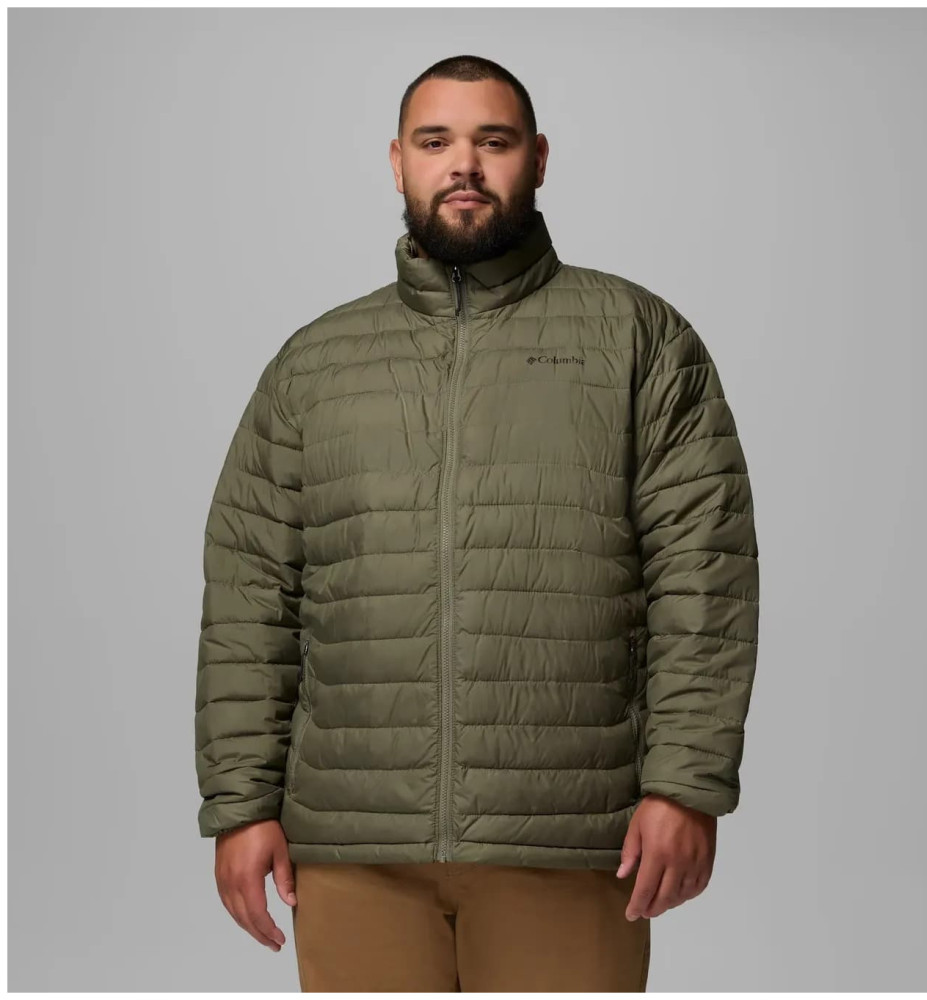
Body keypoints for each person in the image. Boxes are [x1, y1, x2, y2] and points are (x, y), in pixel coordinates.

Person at [194, 53, 760, 993]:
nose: (464, 164)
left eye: (492, 141)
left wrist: (685, 785)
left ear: (537, 158)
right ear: (397, 162)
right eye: (435, 142)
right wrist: (240, 804)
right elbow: (252, 595)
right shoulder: (314, 363)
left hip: (573, 836)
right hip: (351, 843)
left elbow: (705, 575)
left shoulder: (640, 339)